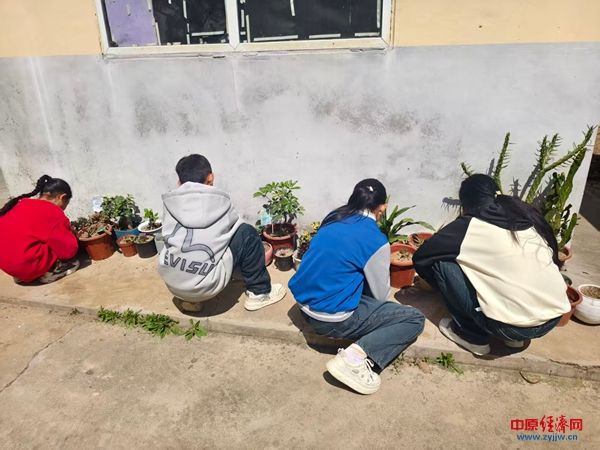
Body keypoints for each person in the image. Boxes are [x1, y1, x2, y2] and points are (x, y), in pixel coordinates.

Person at [289, 179, 425, 395]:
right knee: (413, 319)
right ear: (383, 207)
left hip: (303, 304)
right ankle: (353, 359)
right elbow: (380, 295)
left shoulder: (334, 218)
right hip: (330, 320)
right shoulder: (375, 240)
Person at [413, 174, 570, 356]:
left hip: (509, 327)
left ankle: (472, 336)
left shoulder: (470, 225)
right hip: (551, 319)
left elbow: (422, 256)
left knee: (442, 264)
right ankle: (514, 341)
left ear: (465, 203)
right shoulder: (525, 217)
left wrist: (437, 286)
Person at [158, 154, 286, 312]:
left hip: (174, 285)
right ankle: (259, 292)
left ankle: (190, 301)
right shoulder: (218, 200)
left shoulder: (170, 202)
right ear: (210, 177)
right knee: (248, 233)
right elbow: (234, 229)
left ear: (179, 182)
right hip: (207, 287)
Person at [0, 175, 79, 284]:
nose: (64, 208)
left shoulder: (22, 203)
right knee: (73, 261)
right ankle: (48, 273)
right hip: (26, 266)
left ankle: (22, 274)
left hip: (8, 266)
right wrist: (72, 235)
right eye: (66, 204)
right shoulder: (53, 212)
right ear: (62, 197)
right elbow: (68, 251)